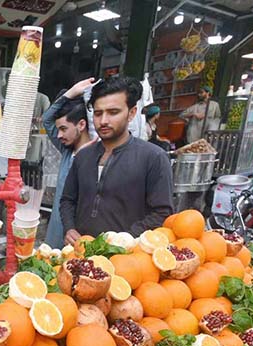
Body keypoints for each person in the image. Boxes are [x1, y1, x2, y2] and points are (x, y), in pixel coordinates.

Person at [60, 76, 174, 242]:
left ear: (132, 113)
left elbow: (162, 213)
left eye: (113, 112)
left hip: (127, 260)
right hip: (81, 255)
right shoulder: (83, 156)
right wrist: (69, 227)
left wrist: (121, 241)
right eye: (98, 113)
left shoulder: (153, 158)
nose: (103, 121)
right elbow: (67, 200)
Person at [43, 78, 97, 248]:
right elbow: (47, 119)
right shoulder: (67, 150)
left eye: (64, 129)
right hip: (55, 231)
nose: (58, 135)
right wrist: (70, 93)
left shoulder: (99, 152)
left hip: (78, 237)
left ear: (81, 124)